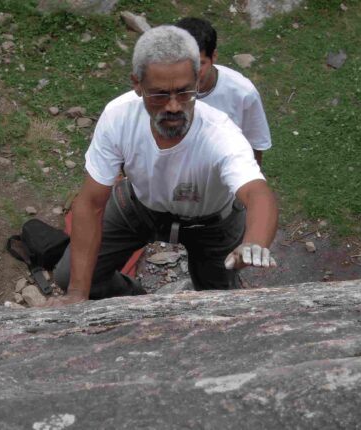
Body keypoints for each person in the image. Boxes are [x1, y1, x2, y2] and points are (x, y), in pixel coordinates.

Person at [42, 25, 278, 307]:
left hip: (212, 222)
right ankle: (133, 302)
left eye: (184, 92)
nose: (174, 106)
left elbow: (257, 193)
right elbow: (91, 203)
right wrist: (77, 295)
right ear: (137, 84)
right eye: (160, 95)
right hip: (139, 206)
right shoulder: (118, 117)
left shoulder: (220, 133)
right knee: (70, 277)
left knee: (218, 301)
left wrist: (254, 242)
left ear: (198, 82)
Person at [105, 17, 272, 168]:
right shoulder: (155, 93)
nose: (193, 72)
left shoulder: (243, 93)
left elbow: (255, 145)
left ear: (214, 56)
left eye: (200, 63)